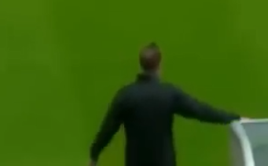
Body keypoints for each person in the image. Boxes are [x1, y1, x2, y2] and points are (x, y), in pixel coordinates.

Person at [88, 44, 239, 166]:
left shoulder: (126, 95)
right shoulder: (168, 94)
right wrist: (233, 118)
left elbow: (108, 129)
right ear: (159, 66)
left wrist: (94, 154)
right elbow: (200, 111)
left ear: (141, 65)